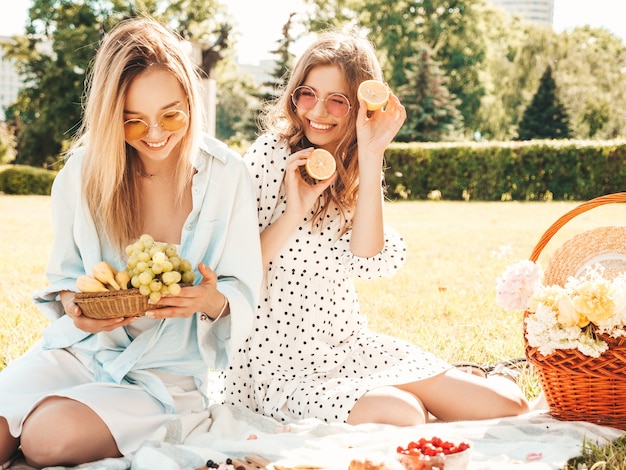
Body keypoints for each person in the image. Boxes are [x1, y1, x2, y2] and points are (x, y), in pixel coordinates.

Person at [224, 31, 530, 426]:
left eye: (337, 101)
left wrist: (372, 153)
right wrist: (294, 211)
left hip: (350, 346)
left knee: (509, 406)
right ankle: (401, 397)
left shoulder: (354, 164)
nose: (318, 111)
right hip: (279, 366)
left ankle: (452, 381)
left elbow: (368, 259)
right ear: (294, 95)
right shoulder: (271, 155)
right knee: (403, 413)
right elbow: (238, 265)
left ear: (359, 107)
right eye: (307, 94)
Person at [0, 16, 262, 468]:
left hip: (164, 378)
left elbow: (243, 294)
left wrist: (207, 299)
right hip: (79, 354)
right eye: (133, 121)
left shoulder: (227, 175)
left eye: (171, 115)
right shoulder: (82, 173)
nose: (156, 135)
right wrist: (77, 310)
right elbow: (65, 279)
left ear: (191, 101)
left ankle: (79, 416)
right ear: (110, 117)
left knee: (45, 437)